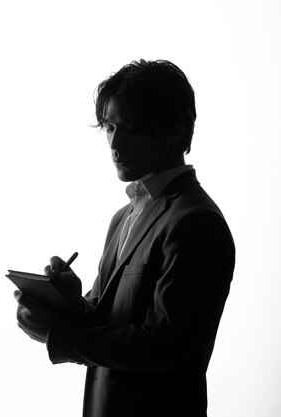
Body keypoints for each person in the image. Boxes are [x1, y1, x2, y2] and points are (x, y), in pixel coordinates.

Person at [14, 59, 235, 417]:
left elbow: (164, 348)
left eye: (131, 128)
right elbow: (109, 322)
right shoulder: (124, 217)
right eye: (110, 127)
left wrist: (59, 335)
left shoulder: (196, 222)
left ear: (177, 130)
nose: (115, 143)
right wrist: (70, 302)